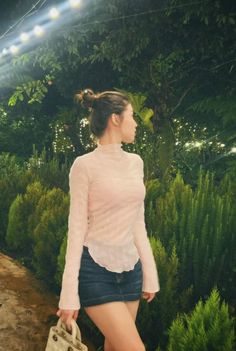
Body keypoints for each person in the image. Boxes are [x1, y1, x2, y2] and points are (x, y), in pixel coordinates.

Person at [56, 89, 160, 351]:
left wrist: (150, 274)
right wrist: (68, 294)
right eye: (132, 116)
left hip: (130, 271)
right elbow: (76, 229)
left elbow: (138, 223)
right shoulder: (84, 166)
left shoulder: (136, 162)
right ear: (115, 118)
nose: (136, 123)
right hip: (96, 272)